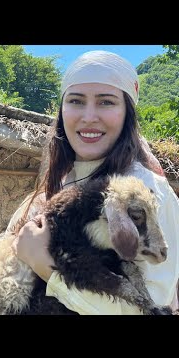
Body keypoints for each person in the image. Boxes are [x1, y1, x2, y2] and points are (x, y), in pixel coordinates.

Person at [9, 50, 179, 315]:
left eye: (106, 102)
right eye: (76, 101)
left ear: (127, 113)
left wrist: (43, 264)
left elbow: (150, 306)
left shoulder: (147, 191)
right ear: (62, 109)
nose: (89, 116)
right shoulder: (63, 181)